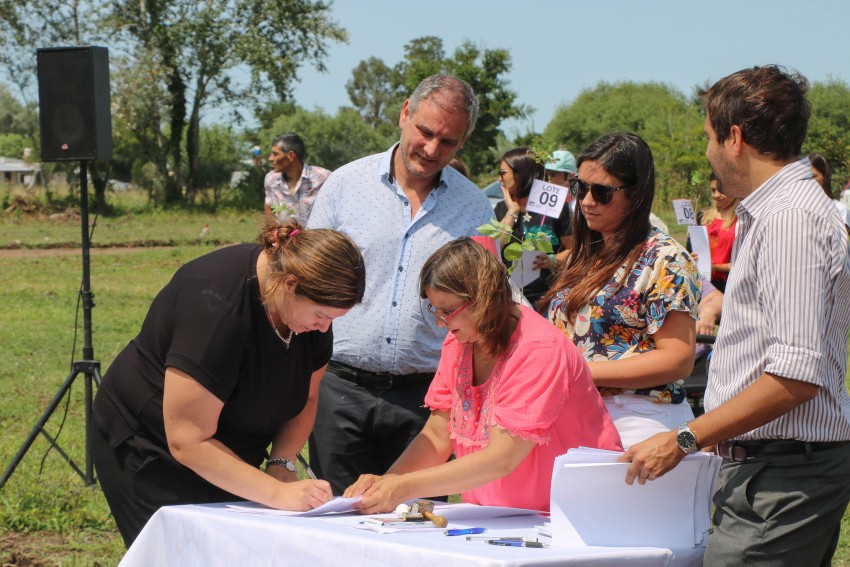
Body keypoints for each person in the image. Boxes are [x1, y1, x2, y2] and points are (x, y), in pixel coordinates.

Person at [623, 65, 850, 566]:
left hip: (783, 476)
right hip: (772, 471)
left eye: (708, 137)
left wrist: (686, 438)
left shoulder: (790, 218)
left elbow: (795, 375)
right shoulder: (772, 211)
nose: (706, 151)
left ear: (735, 137)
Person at [92, 220, 366, 546]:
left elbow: (306, 398)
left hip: (228, 452)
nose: (324, 329)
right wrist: (277, 493)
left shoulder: (307, 315)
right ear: (289, 284)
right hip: (151, 449)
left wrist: (281, 462)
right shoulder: (216, 305)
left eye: (332, 320)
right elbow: (187, 439)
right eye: (321, 316)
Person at [306, 74, 494, 495]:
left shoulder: (475, 209)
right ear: (405, 113)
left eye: (447, 142)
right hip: (339, 390)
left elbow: (485, 307)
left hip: (428, 402)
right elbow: (310, 280)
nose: (431, 149)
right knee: (335, 526)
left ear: (462, 142)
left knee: (416, 530)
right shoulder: (344, 186)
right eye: (425, 132)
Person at [343, 238, 622, 513]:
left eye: (448, 311)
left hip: (568, 517)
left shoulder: (539, 349)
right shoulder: (460, 342)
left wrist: (404, 488)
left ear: (484, 297)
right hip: (500, 516)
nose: (441, 323)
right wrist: (386, 484)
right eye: (435, 311)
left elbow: (502, 458)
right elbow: (438, 434)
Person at [543, 132, 701, 450]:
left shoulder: (664, 258)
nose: (586, 200)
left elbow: (677, 360)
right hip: (578, 416)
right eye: (580, 187)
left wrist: (582, 371)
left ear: (635, 193)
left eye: (602, 192)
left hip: (638, 422)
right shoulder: (587, 253)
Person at [495, 147, 572, 309]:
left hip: (546, 300)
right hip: (509, 300)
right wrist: (512, 213)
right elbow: (492, 249)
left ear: (521, 174)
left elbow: (575, 250)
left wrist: (553, 261)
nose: (499, 178)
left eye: (503, 172)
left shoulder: (555, 207)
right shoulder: (502, 209)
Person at [263, 132, 331, 225]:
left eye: (275, 154)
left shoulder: (323, 178)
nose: (270, 158)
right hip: (282, 239)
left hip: (314, 239)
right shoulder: (271, 180)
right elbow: (269, 207)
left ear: (290, 155)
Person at [699, 172, 739, 292]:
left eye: (721, 190)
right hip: (701, 282)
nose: (716, 195)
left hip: (727, 286)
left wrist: (714, 267)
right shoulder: (703, 216)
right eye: (713, 190)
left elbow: (741, 263)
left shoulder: (741, 219)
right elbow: (692, 248)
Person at [810, 153, 850, 234]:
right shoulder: (797, 209)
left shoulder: (840, 210)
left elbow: (841, 244)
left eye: (814, 176)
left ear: (825, 175)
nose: (809, 181)